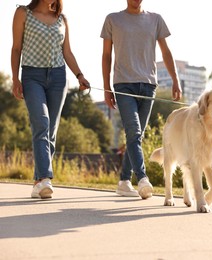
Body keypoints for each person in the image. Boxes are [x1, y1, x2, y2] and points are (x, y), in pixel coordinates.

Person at [101, 0, 182, 199]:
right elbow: (106, 55)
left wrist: (175, 80)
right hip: (123, 84)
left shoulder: (155, 20)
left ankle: (123, 181)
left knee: (136, 136)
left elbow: (166, 52)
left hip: (148, 85)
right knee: (134, 132)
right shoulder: (113, 19)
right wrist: (106, 87)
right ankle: (142, 178)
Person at [11, 0, 90, 199]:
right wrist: (15, 78)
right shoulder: (23, 13)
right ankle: (46, 178)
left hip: (58, 78)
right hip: (32, 76)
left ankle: (39, 181)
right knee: (41, 123)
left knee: (51, 130)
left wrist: (80, 76)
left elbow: (67, 52)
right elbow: (16, 48)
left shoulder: (62, 19)